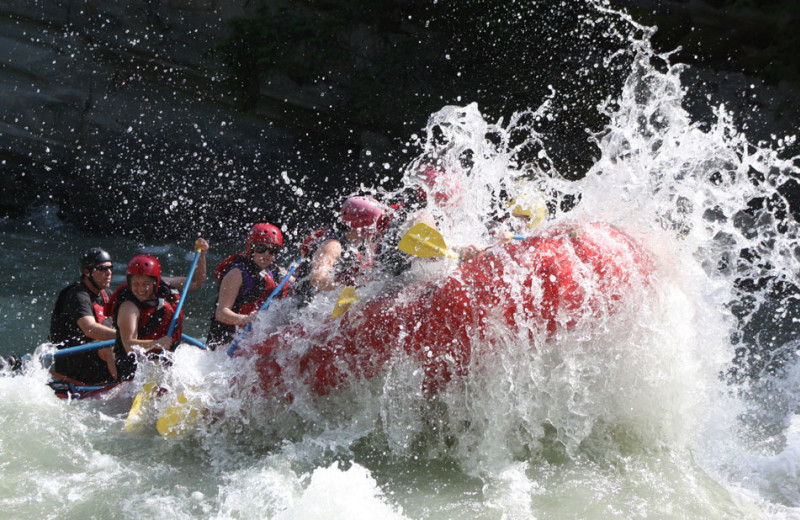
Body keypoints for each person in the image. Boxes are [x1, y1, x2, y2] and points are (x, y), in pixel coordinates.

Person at [112, 239, 209, 381]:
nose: (141, 289)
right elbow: (129, 346)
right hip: (136, 372)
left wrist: (201, 255)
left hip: (166, 361)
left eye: (146, 284)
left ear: (156, 282)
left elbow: (196, 282)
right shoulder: (128, 307)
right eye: (136, 284)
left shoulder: (165, 285)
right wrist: (157, 343)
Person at [207, 223, 289, 350]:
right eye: (261, 248)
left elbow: (302, 284)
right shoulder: (237, 273)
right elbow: (221, 313)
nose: (267, 254)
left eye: (273, 250)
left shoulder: (276, 272)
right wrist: (246, 319)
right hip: (226, 344)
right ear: (251, 248)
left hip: (252, 342)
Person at [294, 196, 387, 303]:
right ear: (363, 225)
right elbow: (317, 279)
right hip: (303, 308)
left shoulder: (359, 243)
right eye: (376, 224)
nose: (378, 228)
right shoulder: (333, 246)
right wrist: (345, 289)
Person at [49, 247, 117, 385]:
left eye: (110, 268)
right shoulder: (76, 295)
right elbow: (90, 329)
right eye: (103, 268)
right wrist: (124, 338)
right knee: (110, 346)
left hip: (95, 360)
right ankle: (123, 386)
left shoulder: (107, 294)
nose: (109, 272)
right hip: (71, 361)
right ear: (87, 272)